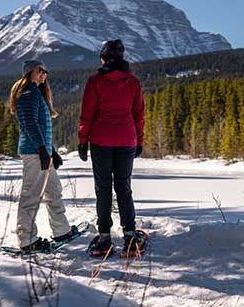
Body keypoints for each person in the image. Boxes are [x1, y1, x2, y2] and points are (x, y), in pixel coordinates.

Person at [78, 39, 146, 257]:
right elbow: (139, 114)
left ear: (104, 57)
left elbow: (87, 113)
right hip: (127, 140)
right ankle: (130, 236)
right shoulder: (133, 82)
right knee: (124, 188)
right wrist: (139, 140)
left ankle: (104, 239)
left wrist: (82, 140)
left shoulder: (95, 81)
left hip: (101, 141)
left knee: (103, 189)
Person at [10, 59, 78, 252]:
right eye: (40, 70)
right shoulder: (27, 94)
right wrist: (41, 150)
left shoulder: (37, 93)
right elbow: (29, 124)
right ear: (29, 72)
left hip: (42, 153)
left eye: (46, 71)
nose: (44, 74)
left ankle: (61, 231)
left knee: (54, 191)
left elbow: (42, 127)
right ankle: (27, 240)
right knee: (31, 196)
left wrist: (52, 151)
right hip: (34, 154)